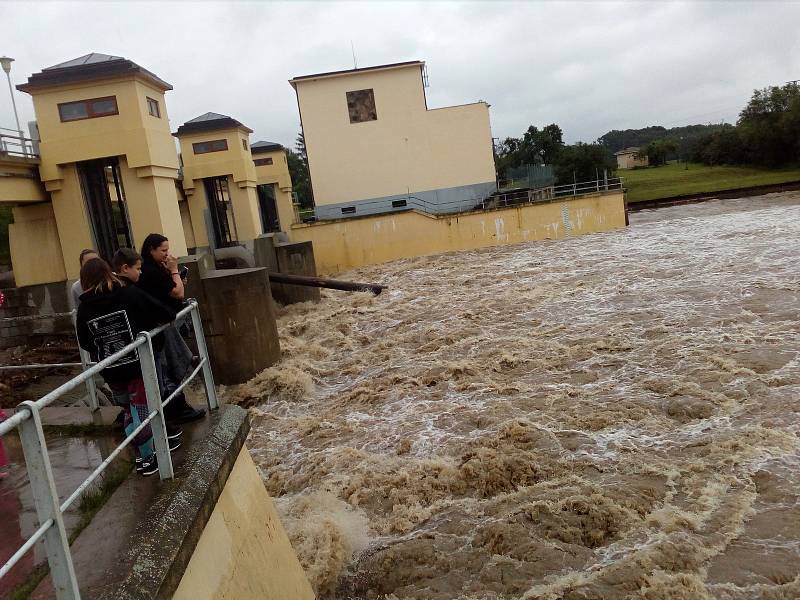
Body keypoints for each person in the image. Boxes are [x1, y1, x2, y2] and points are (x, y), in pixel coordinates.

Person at [75, 258, 179, 476]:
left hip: (110, 369)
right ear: (108, 273)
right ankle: (148, 458)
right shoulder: (128, 294)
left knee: (128, 412)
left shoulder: (84, 308)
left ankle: (143, 456)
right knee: (142, 411)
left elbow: (85, 342)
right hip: (137, 366)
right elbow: (164, 313)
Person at [137, 234, 205, 424]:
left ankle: (179, 406)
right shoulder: (150, 270)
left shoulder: (156, 268)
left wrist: (175, 277)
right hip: (161, 326)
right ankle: (177, 409)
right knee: (172, 366)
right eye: (164, 250)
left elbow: (175, 291)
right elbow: (177, 293)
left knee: (174, 364)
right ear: (151, 249)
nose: (168, 254)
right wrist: (175, 271)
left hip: (167, 322)